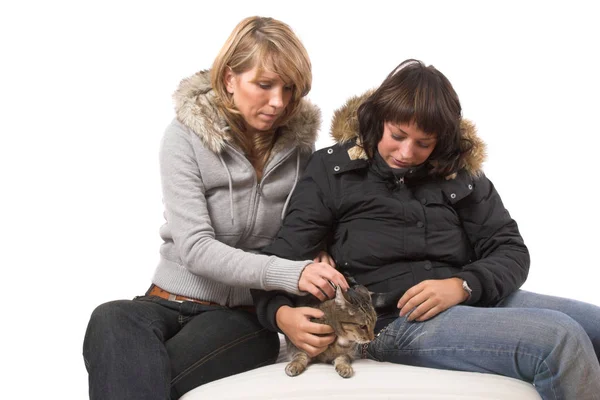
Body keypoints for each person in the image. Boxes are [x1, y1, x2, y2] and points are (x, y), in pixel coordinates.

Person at [252, 59, 600, 399]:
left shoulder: (459, 174)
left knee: (595, 325)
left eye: (423, 143)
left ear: (442, 141)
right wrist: (281, 315)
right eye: (397, 136)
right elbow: (278, 259)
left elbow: (510, 250)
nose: (406, 152)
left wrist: (462, 285)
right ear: (378, 121)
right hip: (397, 321)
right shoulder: (334, 169)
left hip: (475, 300)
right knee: (559, 339)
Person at [82, 16, 349, 400]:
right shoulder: (183, 139)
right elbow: (194, 248)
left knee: (133, 374)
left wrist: (319, 252)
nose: (279, 102)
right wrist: (292, 273)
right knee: (111, 317)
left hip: (242, 317)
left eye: (289, 89)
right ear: (228, 78)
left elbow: (306, 228)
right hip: (166, 299)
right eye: (264, 84)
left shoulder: (301, 154)